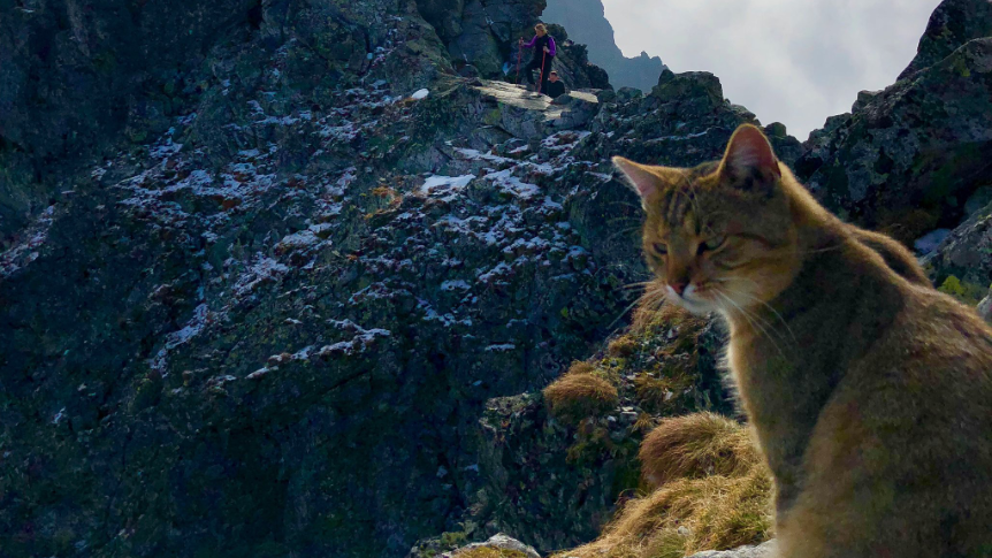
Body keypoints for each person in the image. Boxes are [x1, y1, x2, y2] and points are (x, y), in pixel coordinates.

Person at [519, 23, 556, 94]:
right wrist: (523, 44)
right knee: (528, 68)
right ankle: (531, 84)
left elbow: (553, 52)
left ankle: (544, 94)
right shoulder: (536, 37)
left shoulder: (549, 39)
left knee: (543, 79)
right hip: (537, 59)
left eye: (538, 32)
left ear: (542, 31)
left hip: (546, 61)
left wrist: (547, 50)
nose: (536, 33)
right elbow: (530, 45)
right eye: (536, 31)